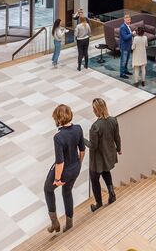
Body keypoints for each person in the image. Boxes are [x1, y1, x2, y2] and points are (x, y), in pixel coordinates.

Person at [44, 104, 85, 233]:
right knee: (67, 192)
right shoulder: (78, 128)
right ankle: (69, 224)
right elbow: (82, 150)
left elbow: (60, 162)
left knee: (47, 189)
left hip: (63, 172)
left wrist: (57, 179)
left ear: (58, 119)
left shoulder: (58, 137)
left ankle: (55, 223)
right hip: (75, 168)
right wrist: (78, 164)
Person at [87, 98, 121, 212]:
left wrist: (81, 140)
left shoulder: (95, 126)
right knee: (106, 172)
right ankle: (112, 194)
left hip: (97, 160)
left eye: (93, 108)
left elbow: (93, 146)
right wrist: (119, 149)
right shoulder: (113, 120)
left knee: (94, 179)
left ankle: (98, 203)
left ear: (97, 110)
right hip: (108, 155)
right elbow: (117, 137)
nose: (93, 110)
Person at [118, 14, 134, 78]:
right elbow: (125, 37)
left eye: (130, 20)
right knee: (123, 60)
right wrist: (132, 34)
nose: (129, 21)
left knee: (127, 60)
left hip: (128, 46)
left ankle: (125, 70)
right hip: (124, 47)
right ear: (124, 20)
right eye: (128, 20)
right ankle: (122, 74)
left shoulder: (128, 26)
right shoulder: (122, 27)